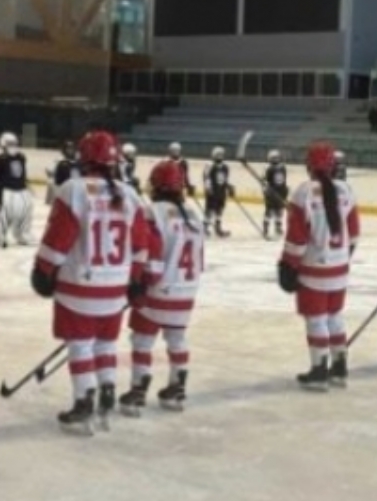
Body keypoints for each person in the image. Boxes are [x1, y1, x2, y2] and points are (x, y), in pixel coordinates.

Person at [31, 130, 150, 435]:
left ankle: (84, 402)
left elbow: (58, 240)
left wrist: (43, 271)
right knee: (106, 343)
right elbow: (141, 245)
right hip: (116, 289)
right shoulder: (130, 194)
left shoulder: (73, 190)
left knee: (80, 346)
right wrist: (136, 279)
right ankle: (107, 393)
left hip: (78, 288)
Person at [119, 160, 204, 416]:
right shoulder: (194, 215)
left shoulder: (151, 212)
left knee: (143, 340)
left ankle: (137, 392)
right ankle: (177, 388)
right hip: (187, 290)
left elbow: (152, 258)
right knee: (177, 339)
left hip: (158, 290)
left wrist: (138, 284)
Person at [278, 141, 360, 391]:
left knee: (316, 320)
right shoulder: (346, 190)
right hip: (340, 270)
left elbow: (297, 239)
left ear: (309, 166)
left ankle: (319, 370)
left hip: (313, 271)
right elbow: (354, 235)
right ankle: (339, 366)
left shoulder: (302, 192)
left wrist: (287, 266)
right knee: (335, 317)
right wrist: (341, 259)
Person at [0, 132, 32, 247]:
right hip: (4, 190)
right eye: (9, 143)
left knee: (21, 213)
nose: (12, 145)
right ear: (3, 144)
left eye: (13, 143)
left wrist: (25, 186)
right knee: (1, 214)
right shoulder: (0, 158)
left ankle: (21, 235)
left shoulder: (21, 157)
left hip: (19, 190)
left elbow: (22, 174)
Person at [202, 146, 234, 238]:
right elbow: (206, 178)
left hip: (221, 192)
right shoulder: (209, 165)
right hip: (212, 191)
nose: (220, 156)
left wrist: (229, 187)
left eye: (221, 155)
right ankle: (205, 228)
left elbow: (225, 179)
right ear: (213, 155)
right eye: (218, 155)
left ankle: (218, 228)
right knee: (209, 210)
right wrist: (208, 188)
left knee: (219, 210)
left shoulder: (225, 167)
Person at [263, 149, 289, 239]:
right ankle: (265, 228)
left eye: (277, 157)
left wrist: (285, 191)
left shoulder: (283, 168)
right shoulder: (268, 169)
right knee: (269, 211)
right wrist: (266, 189)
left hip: (281, 193)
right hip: (271, 194)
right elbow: (265, 182)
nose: (275, 159)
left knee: (280, 211)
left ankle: (278, 227)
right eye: (273, 158)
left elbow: (283, 181)